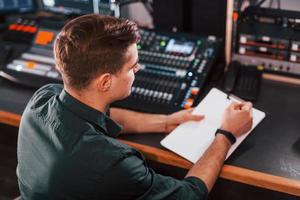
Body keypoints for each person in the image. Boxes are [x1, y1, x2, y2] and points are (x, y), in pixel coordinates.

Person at [17, 14, 253, 200]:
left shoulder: (43, 98)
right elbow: (188, 194)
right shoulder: (112, 163)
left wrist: (167, 121)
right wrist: (226, 134)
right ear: (105, 81)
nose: (137, 70)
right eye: (132, 67)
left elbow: (105, 115)